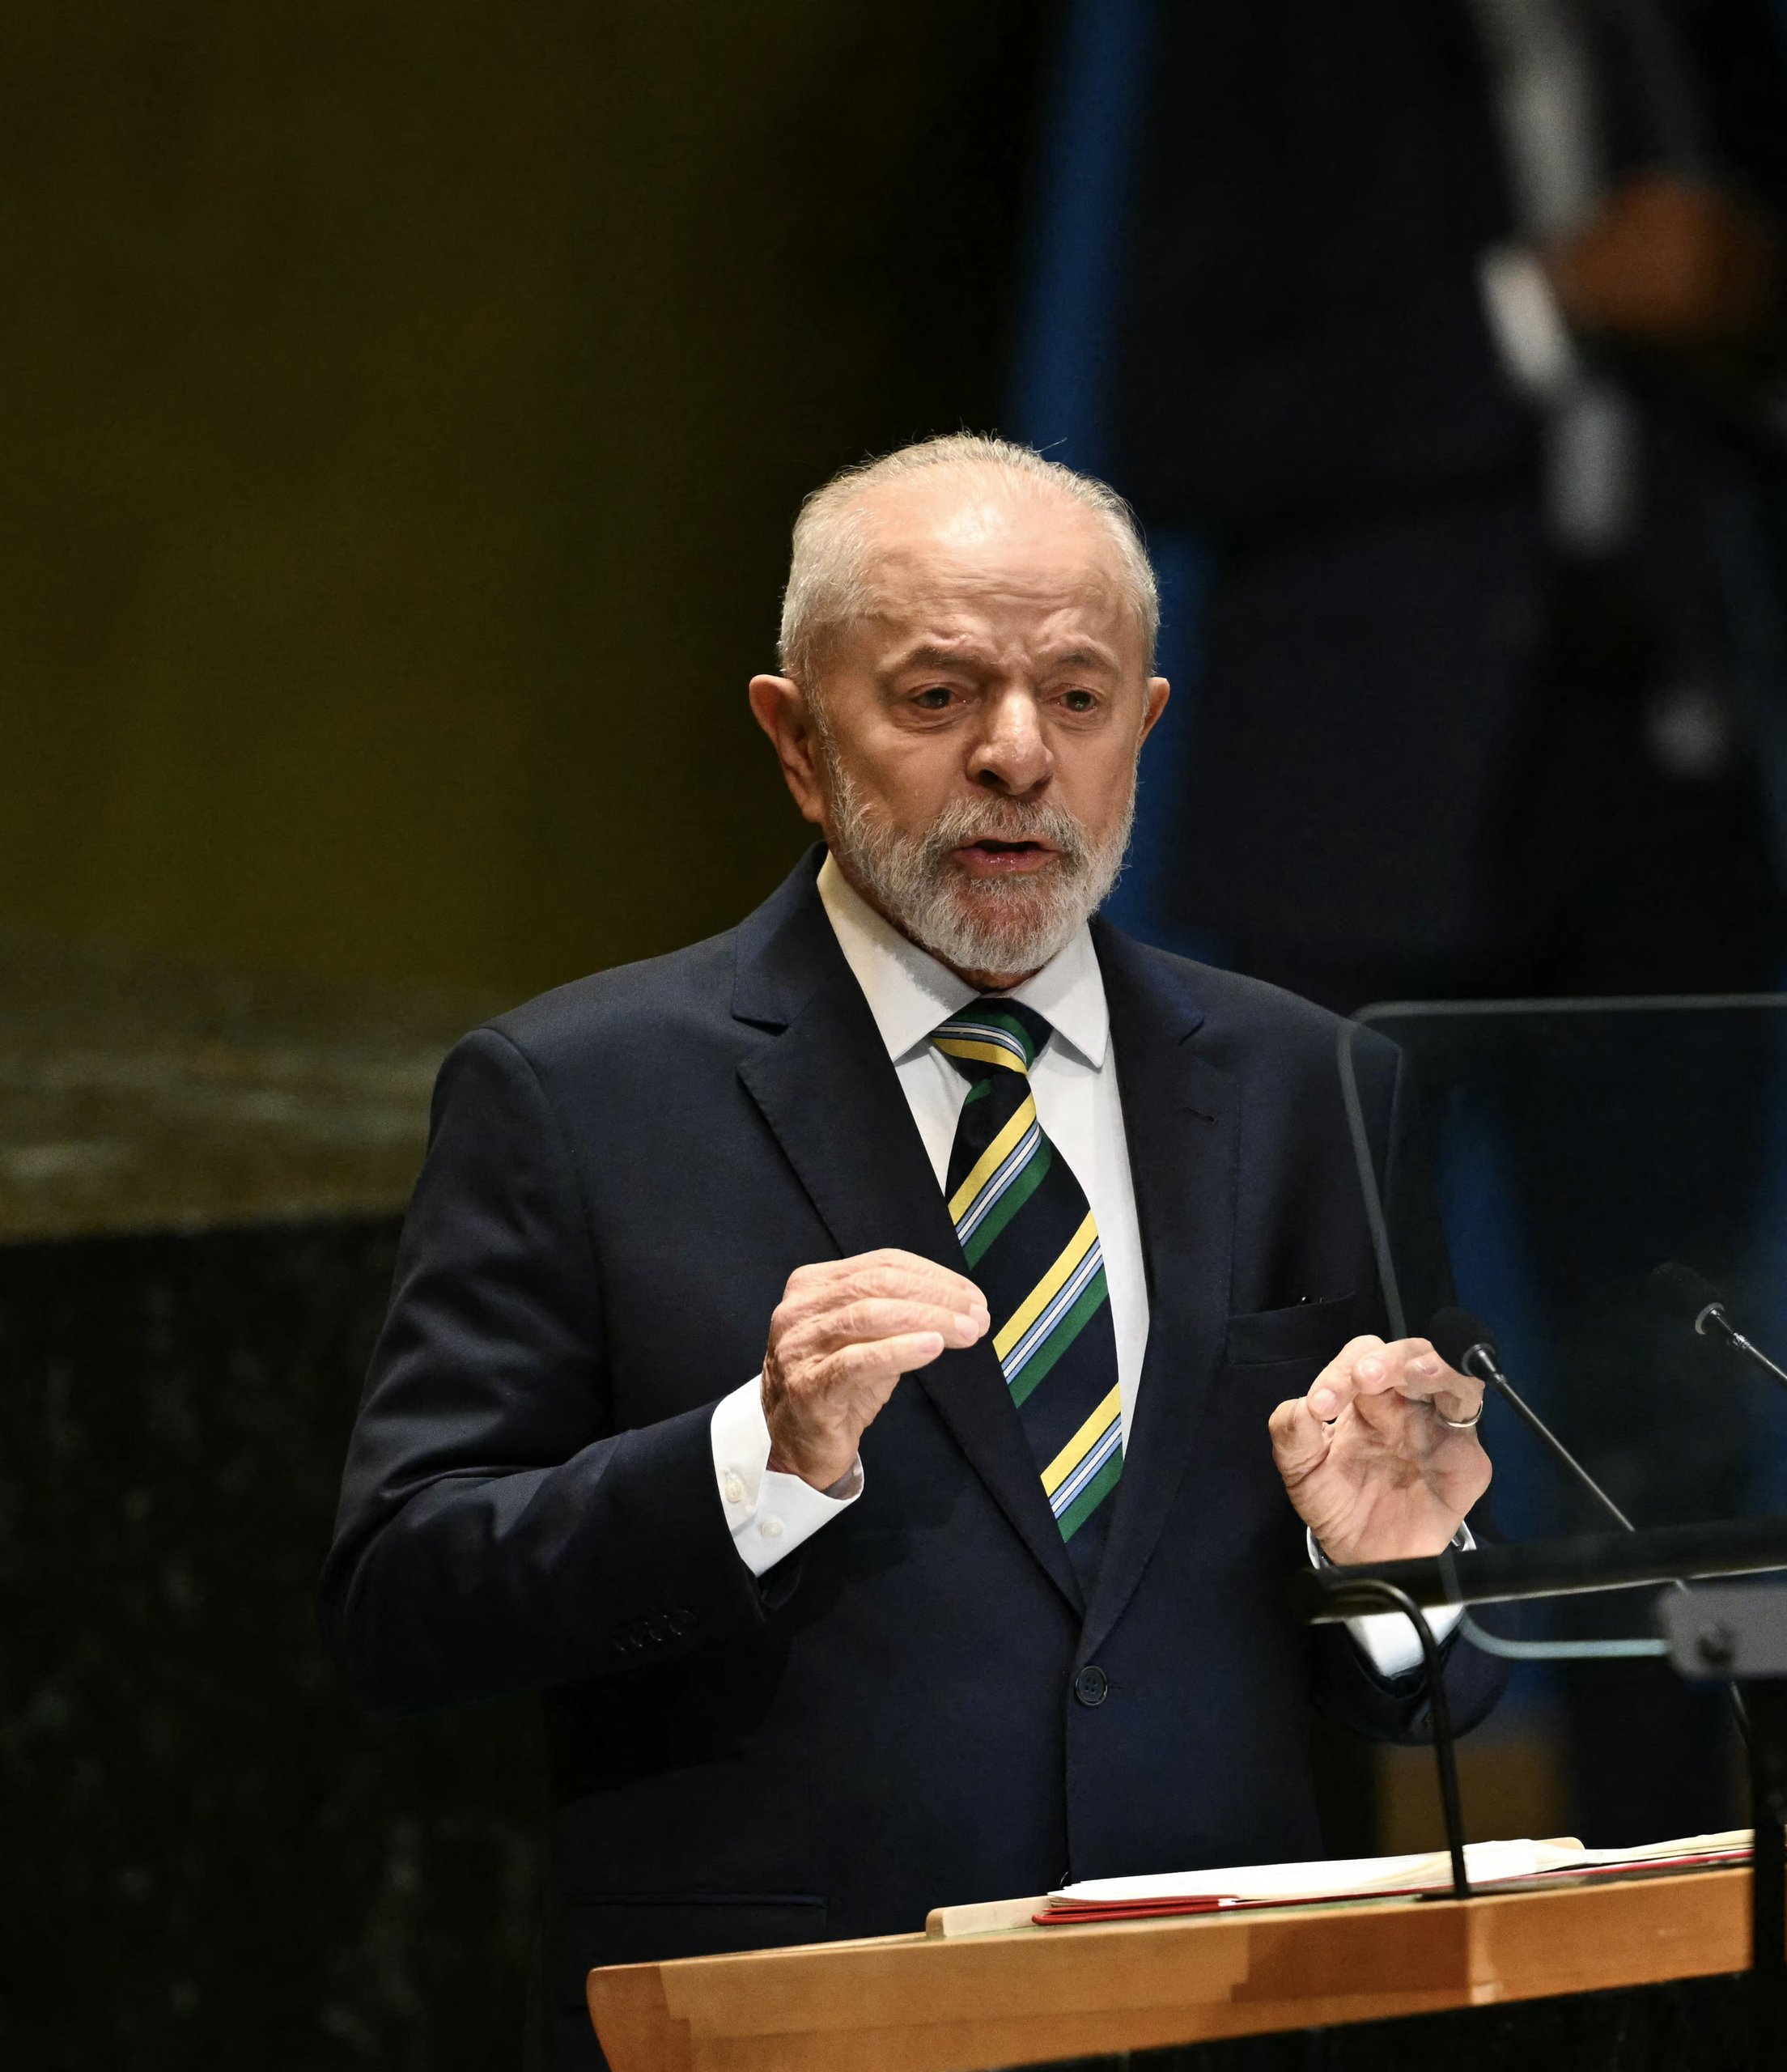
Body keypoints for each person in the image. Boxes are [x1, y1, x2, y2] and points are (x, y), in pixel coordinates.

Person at [320, 436, 1509, 2066]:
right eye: (940, 697)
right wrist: (760, 1459)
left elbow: (1438, 1676)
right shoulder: (575, 1096)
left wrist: (1388, 1583)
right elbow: (404, 1598)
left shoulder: (1317, 1084)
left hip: (1227, 2021)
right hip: (785, 2029)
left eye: (1078, 700)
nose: (1019, 755)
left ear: (1144, 735)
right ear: (797, 739)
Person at [1107, 0, 1787, 1845]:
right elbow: (1182, 418)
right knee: (1320, 1401)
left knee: (1677, 1405)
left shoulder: (1702, 37)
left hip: (1669, 808)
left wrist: (1753, 317)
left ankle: (1683, 1901)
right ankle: (1300, 1896)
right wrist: (1547, 305)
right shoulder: (1266, 43)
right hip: (1359, 826)